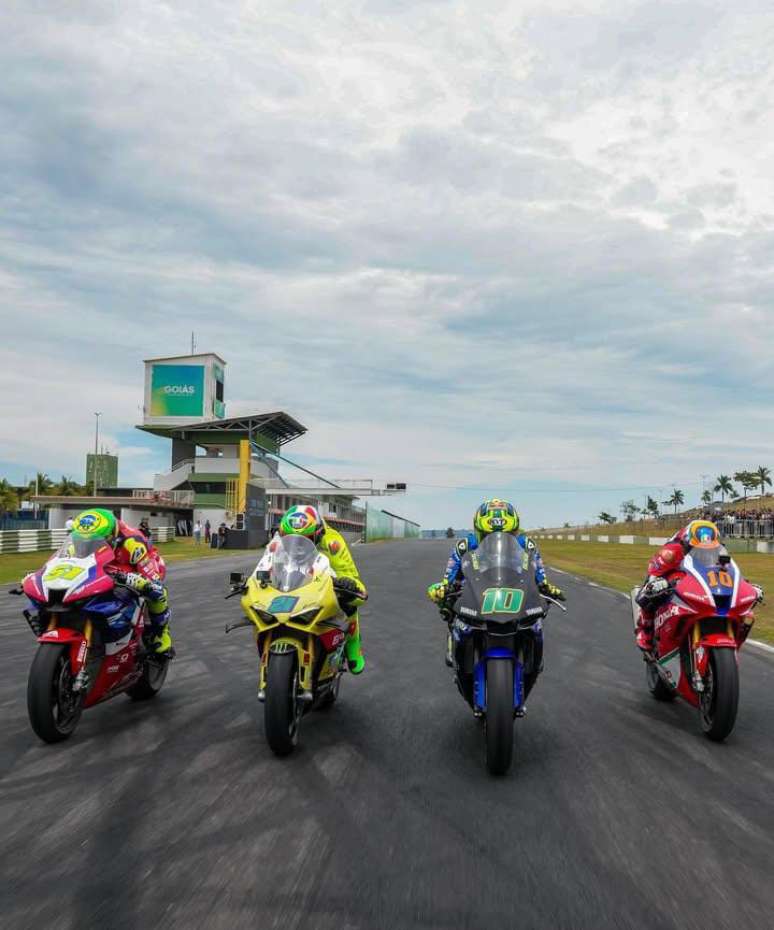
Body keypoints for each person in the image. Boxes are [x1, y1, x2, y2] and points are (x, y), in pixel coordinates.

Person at [426, 499, 565, 669]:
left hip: (514, 587)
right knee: (447, 603)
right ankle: (453, 639)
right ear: (478, 531)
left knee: (538, 615)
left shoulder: (527, 545)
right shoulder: (465, 546)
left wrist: (546, 586)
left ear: (515, 532)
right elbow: (450, 575)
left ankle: (532, 656)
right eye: (487, 536)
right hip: (475, 589)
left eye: (508, 535)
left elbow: (539, 574)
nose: (497, 541)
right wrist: (444, 587)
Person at [265, 505, 368, 674]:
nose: (296, 546)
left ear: (318, 534)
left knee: (351, 597)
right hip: (292, 579)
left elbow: (350, 576)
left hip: (328, 578)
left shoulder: (333, 542)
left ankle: (353, 644)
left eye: (305, 539)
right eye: (289, 538)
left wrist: (346, 584)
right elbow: (266, 564)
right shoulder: (278, 538)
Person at [634, 519, 763, 651]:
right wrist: (657, 582)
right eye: (699, 549)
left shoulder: (719, 551)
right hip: (669, 569)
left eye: (710, 549)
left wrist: (745, 585)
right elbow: (654, 573)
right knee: (650, 592)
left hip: (693, 572)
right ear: (687, 544)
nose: (705, 552)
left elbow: (728, 572)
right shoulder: (670, 552)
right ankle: (644, 629)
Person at [69, 509, 173, 654]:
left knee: (156, 591)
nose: (86, 546)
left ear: (112, 536)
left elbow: (152, 578)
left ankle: (161, 633)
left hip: (139, 564)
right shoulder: (80, 542)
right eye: (82, 542)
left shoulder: (132, 543)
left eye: (94, 542)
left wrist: (138, 580)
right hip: (106, 564)